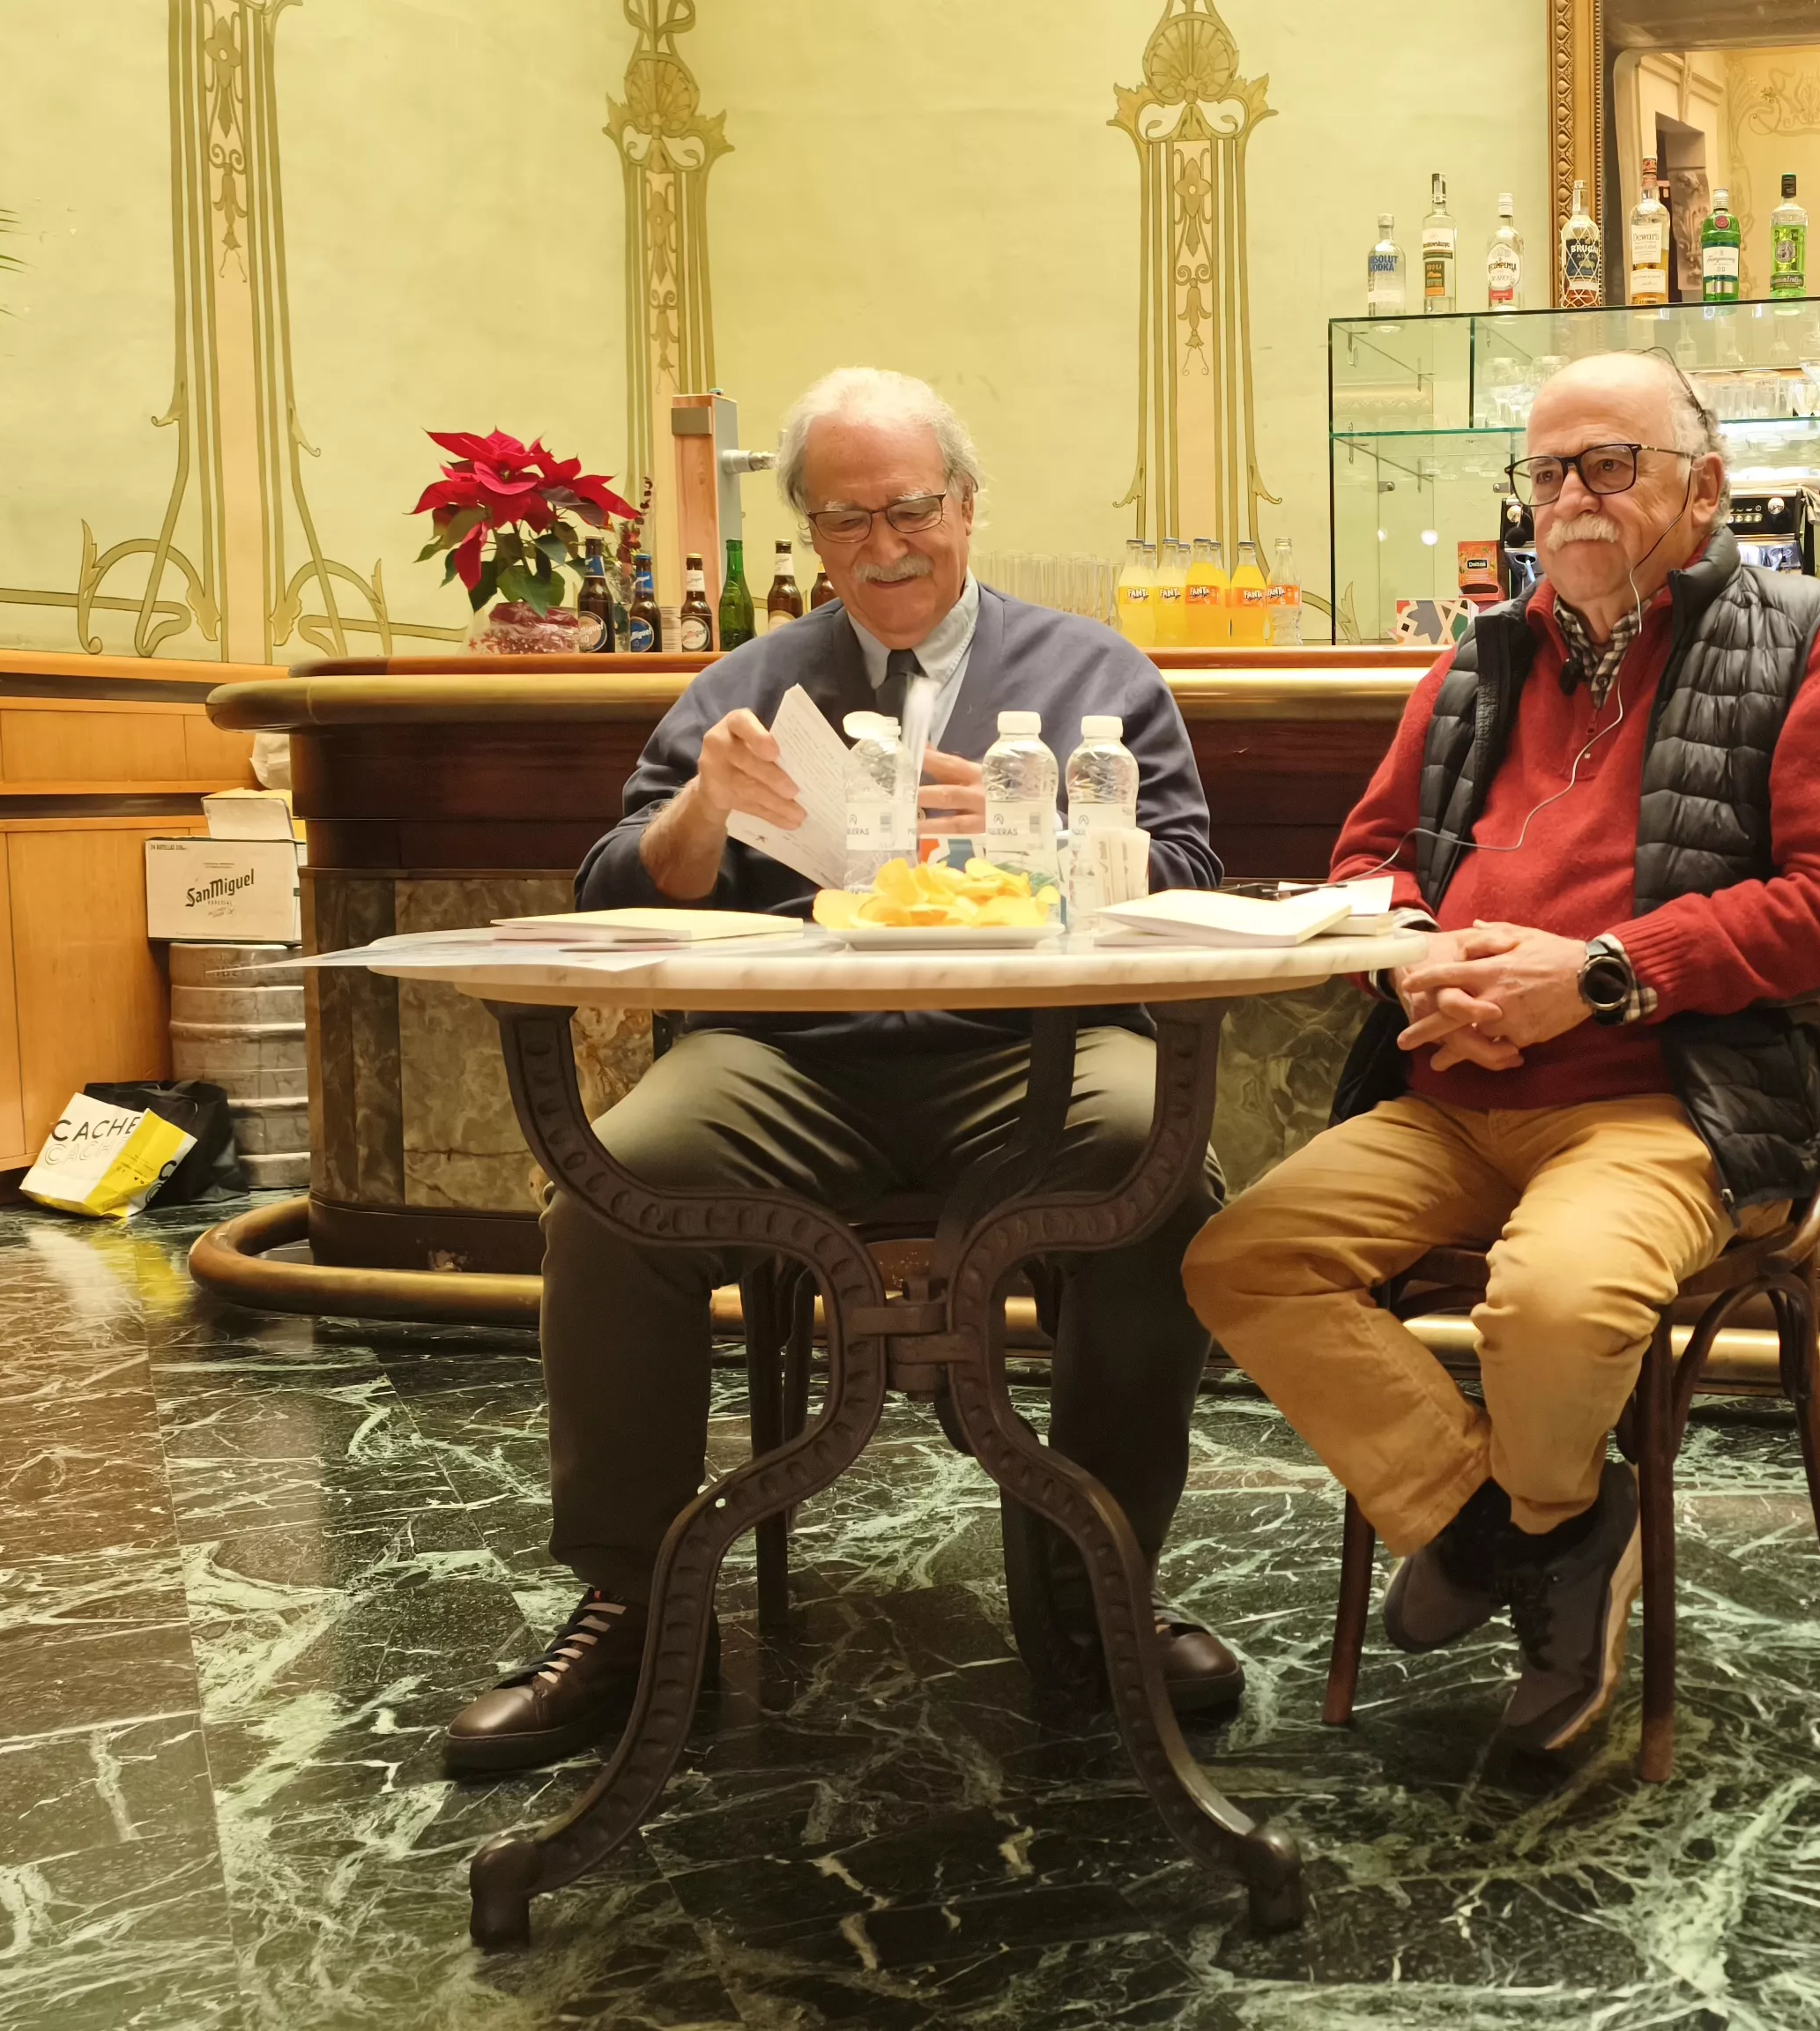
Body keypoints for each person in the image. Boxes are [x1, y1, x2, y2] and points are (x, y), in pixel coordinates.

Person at [445, 367, 1241, 1774]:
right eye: (846, 519)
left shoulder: (1093, 673)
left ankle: (1098, 1585)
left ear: (968, 505)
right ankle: (631, 1607)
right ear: (809, 531)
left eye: (911, 509)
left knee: (1158, 1170)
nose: (884, 547)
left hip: (1035, 1054)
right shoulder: (748, 686)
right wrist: (704, 808)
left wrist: (1048, 841)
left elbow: (1188, 873)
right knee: (609, 1193)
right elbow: (612, 881)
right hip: (790, 1059)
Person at [1180, 352, 1820, 1755]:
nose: (1572, 497)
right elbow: (1370, 863)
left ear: (1705, 489)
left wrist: (1601, 977)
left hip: (1667, 1100)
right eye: (1550, 471)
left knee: (1554, 1304)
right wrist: (1414, 957)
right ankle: (1549, 1535)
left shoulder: (1810, 640)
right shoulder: (1479, 657)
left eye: (1610, 466)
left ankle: (1523, 1532)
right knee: (1239, 1259)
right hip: (1452, 1091)